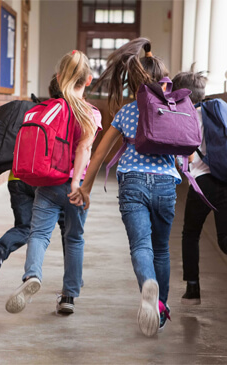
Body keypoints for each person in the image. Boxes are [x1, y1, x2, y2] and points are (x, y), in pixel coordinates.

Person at [70, 38, 176, 337]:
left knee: (140, 246)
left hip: (132, 183)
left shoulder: (127, 112)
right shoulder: (175, 108)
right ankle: (161, 307)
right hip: (167, 183)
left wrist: (85, 187)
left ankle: (147, 284)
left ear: (134, 81)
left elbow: (100, 153)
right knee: (162, 249)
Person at [5, 50, 102, 315]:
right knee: (74, 238)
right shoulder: (90, 113)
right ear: (89, 80)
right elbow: (83, 150)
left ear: (59, 78)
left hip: (47, 183)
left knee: (38, 234)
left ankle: (32, 275)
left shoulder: (50, 108)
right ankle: (69, 296)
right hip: (75, 187)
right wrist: (76, 184)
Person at [171, 71, 227, 305]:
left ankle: (193, 288)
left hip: (202, 185)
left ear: (182, 97)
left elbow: (184, 156)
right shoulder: (219, 114)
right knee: (223, 237)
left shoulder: (186, 119)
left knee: (191, 233)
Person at [0, 76, 67, 289]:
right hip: (43, 180)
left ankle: (0, 250)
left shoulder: (31, 111)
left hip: (17, 178)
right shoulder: (62, 113)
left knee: (26, 227)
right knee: (69, 227)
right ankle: (71, 278)